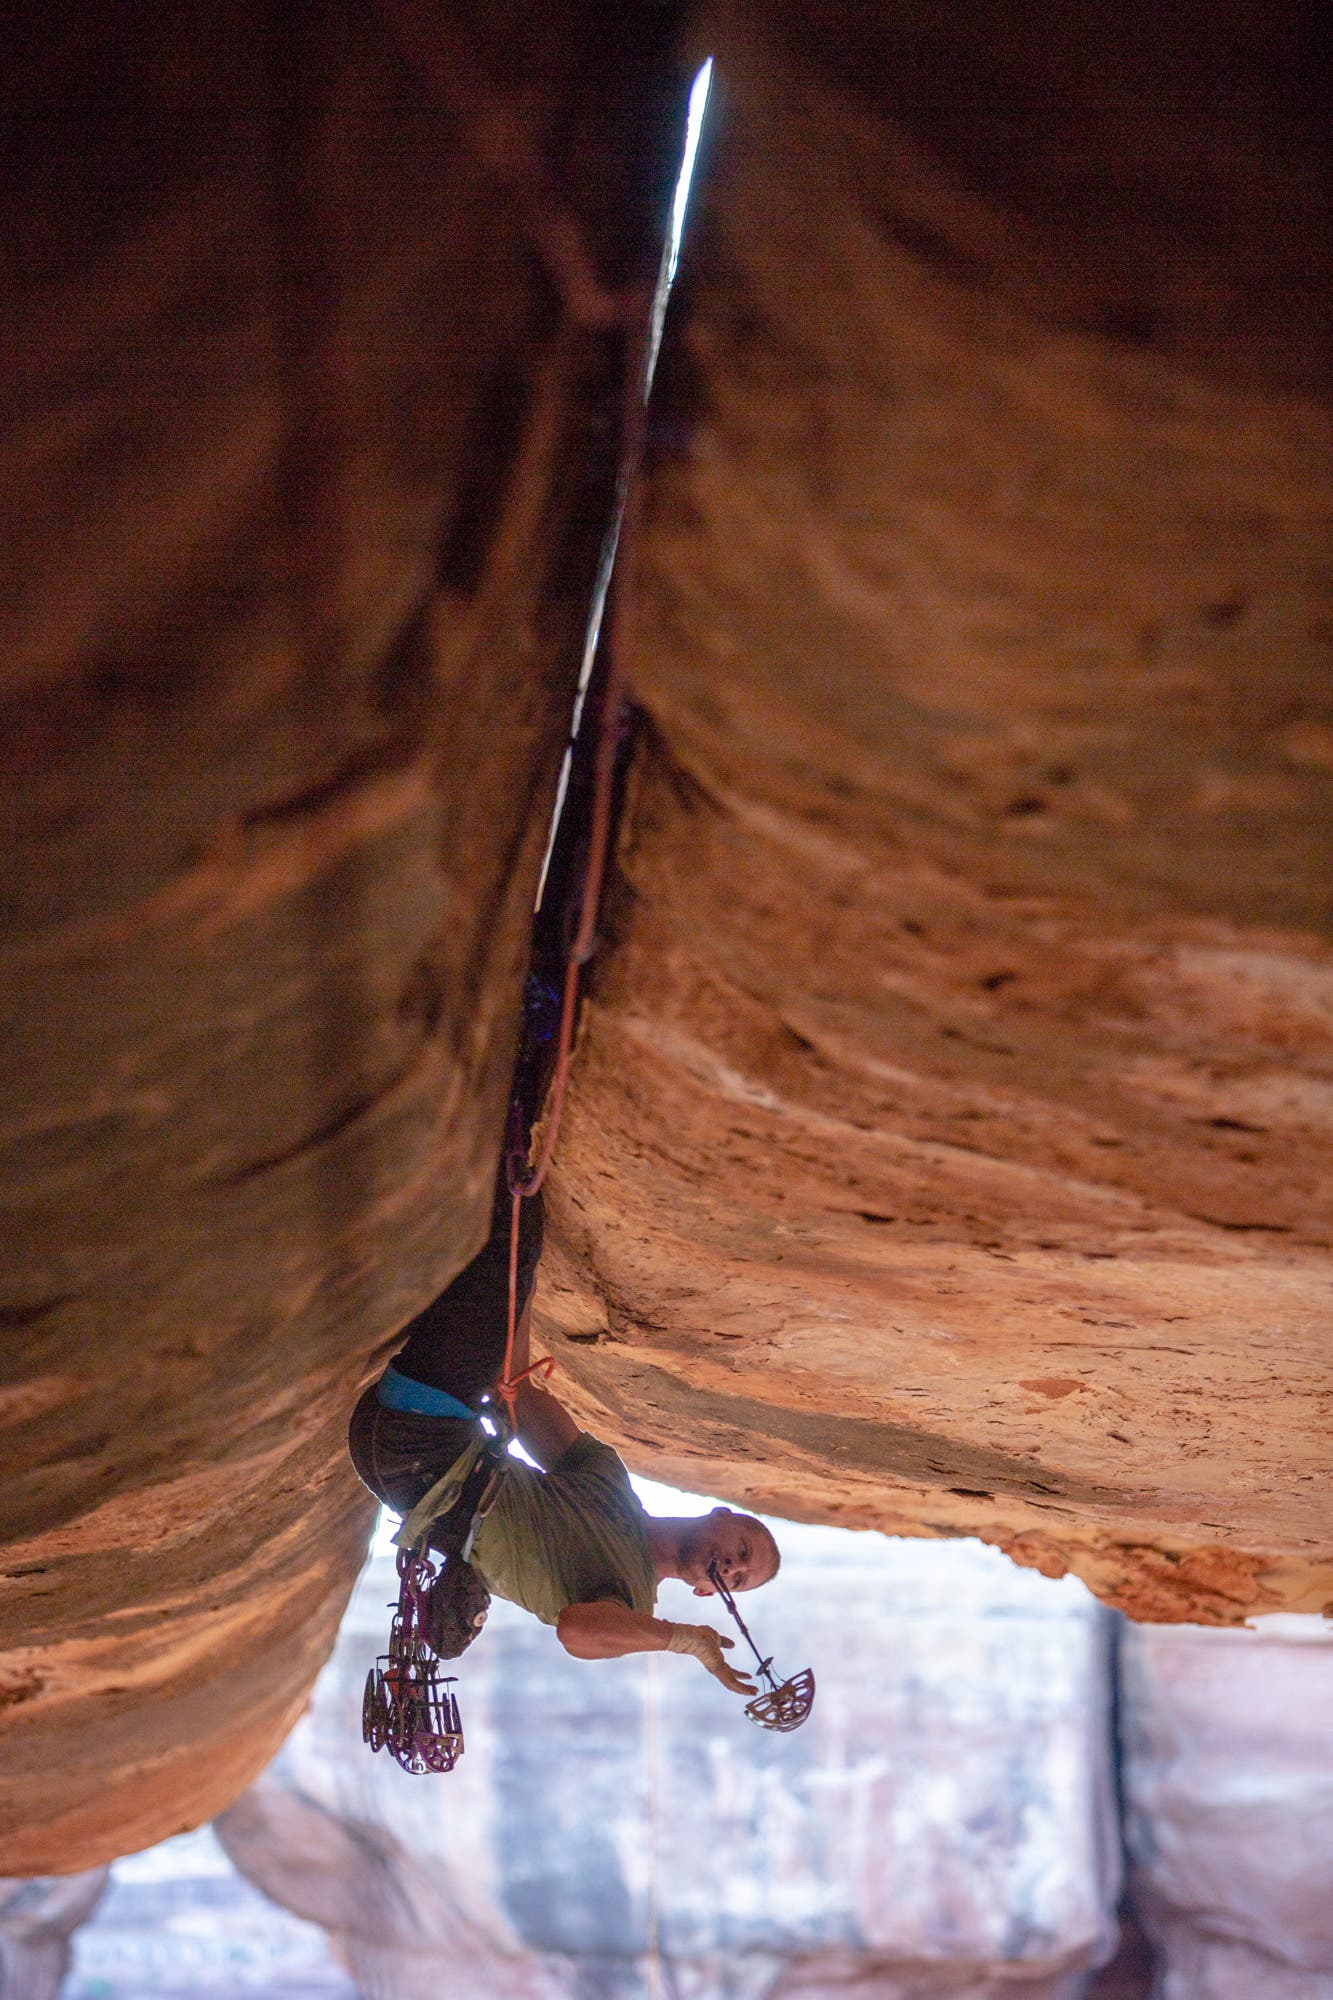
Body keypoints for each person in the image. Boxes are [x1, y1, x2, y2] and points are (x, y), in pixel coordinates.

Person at [348, 1168, 781, 1700]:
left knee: (494, 1242)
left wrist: (689, 1642)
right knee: (504, 1254)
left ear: (704, 1591)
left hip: (425, 1455)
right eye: (742, 1547)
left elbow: (576, 1629)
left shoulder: (626, 1605)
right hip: (414, 1449)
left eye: (737, 1578)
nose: (733, 1565)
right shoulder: (606, 1479)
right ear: (720, 1513)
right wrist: (522, 1275)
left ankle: (506, 1130)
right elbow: (521, 1392)